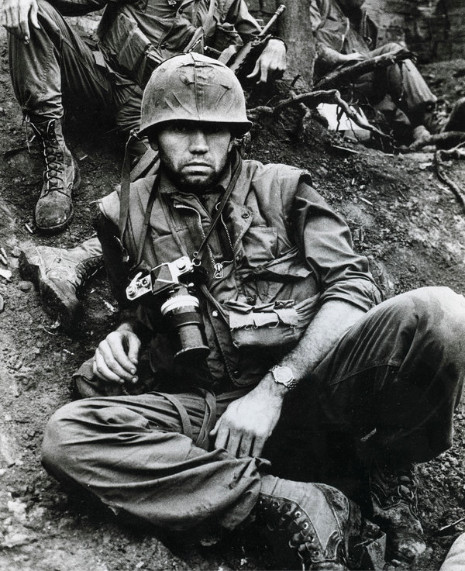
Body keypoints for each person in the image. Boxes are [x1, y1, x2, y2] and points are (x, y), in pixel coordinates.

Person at [42, 53, 465, 570]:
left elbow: (353, 287)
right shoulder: (121, 213)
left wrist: (274, 389)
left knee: (443, 314)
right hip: (213, 412)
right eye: (180, 128)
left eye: (214, 129)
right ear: (153, 135)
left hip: (315, 392)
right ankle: (283, 500)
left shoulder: (283, 188)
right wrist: (124, 334)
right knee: (68, 437)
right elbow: (136, 303)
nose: (199, 144)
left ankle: (384, 473)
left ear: (236, 135)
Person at [1, 0, 286, 233]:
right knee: (38, 11)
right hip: (100, 82)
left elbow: (254, 35)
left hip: (151, 111)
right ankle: (55, 154)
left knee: (173, 175)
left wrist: (275, 43)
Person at [308, 0, 455, 145]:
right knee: (392, 52)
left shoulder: (363, 23)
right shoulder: (318, 3)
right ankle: (433, 123)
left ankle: (431, 127)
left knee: (392, 70)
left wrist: (414, 125)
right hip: (329, 87)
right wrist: (339, 57)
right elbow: (307, 43)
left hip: (358, 96)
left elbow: (381, 85)